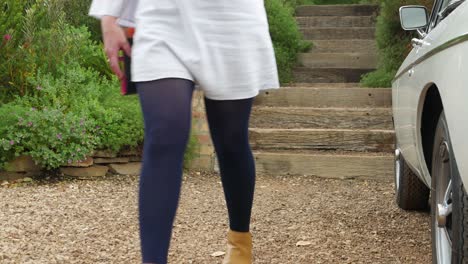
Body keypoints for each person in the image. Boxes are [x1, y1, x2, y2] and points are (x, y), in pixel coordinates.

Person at [89, 0, 279, 263]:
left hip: (232, 20)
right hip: (161, 17)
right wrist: (109, 15)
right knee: (165, 135)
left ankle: (239, 243)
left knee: (231, 141)